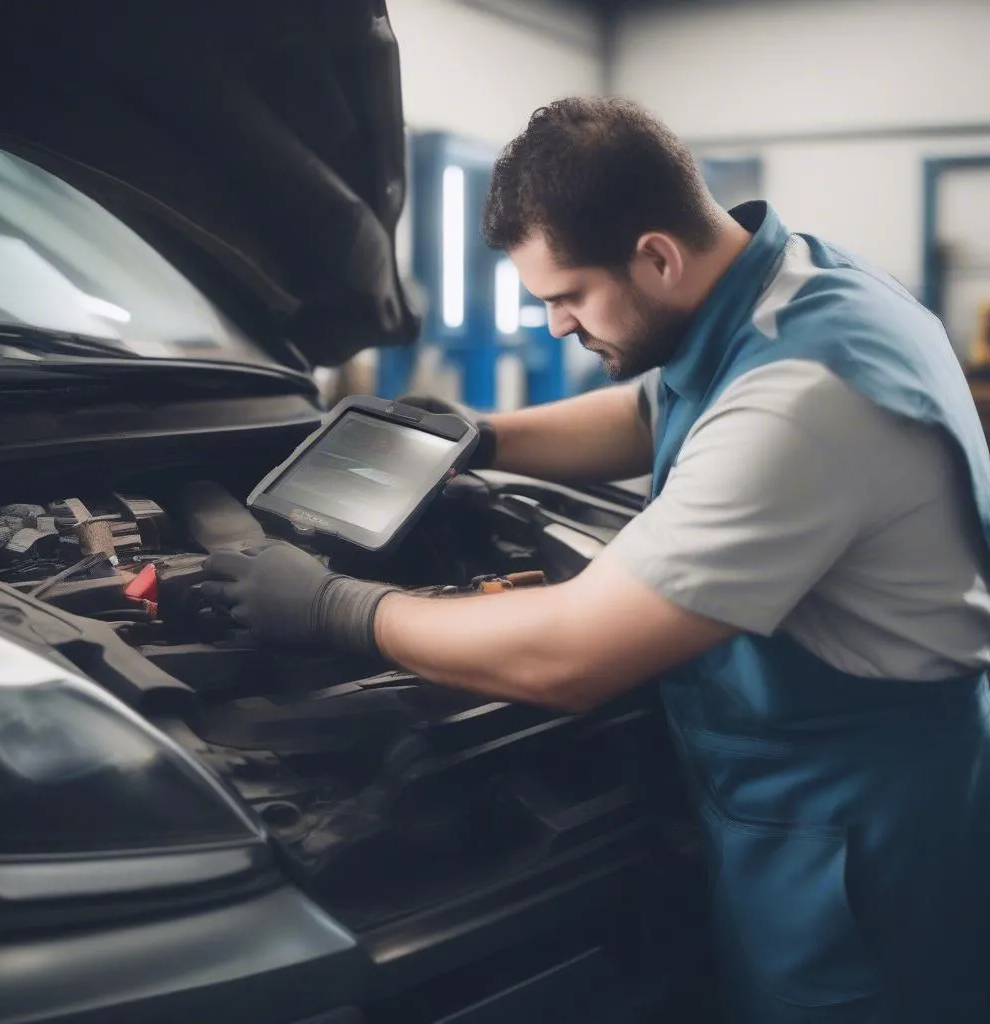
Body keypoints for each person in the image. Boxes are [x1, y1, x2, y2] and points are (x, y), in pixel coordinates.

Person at [201, 98, 990, 1022]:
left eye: (567, 297)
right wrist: (480, 437)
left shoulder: (801, 402)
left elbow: (573, 655)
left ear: (656, 254)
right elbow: (653, 411)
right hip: (802, 792)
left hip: (858, 843)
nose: (556, 327)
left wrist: (334, 606)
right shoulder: (793, 285)